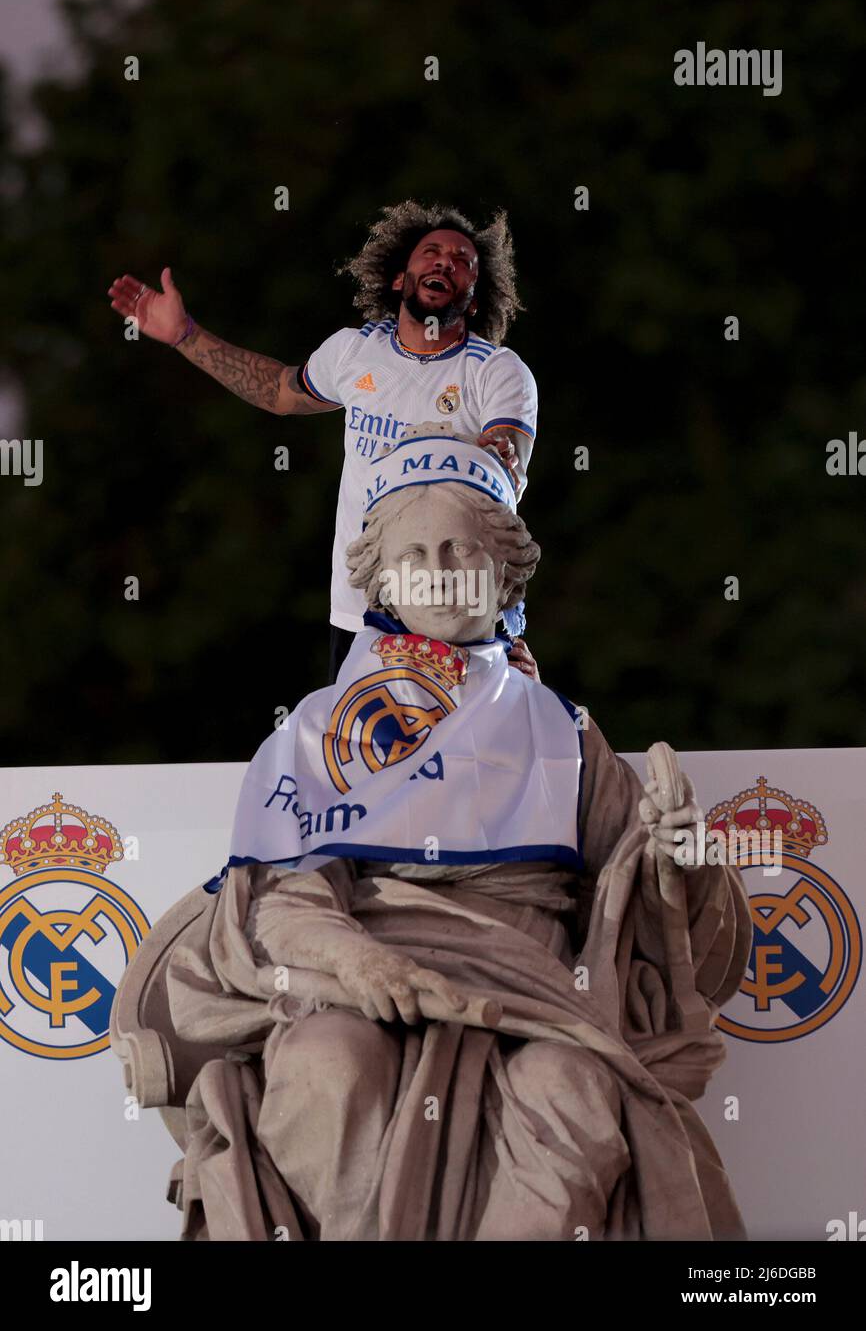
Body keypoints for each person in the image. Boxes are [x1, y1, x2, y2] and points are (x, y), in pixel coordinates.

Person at [140, 427, 752, 1241]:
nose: (440, 571)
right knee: (328, 1065)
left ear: (502, 573)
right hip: (360, 976)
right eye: (417, 552)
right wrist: (360, 962)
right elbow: (281, 902)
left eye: (463, 551)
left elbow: (641, 908)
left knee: (573, 1088)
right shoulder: (319, 728)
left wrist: (682, 860)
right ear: (380, 578)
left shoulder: (562, 731)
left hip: (532, 997)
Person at [107, 201, 539, 681]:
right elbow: (277, 390)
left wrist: (496, 456)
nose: (444, 262)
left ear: (474, 299)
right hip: (363, 616)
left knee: (467, 753)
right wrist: (185, 335)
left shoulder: (497, 370)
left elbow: (503, 464)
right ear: (399, 279)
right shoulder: (353, 352)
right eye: (431, 252)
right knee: (365, 752)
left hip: (456, 610)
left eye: (462, 261)